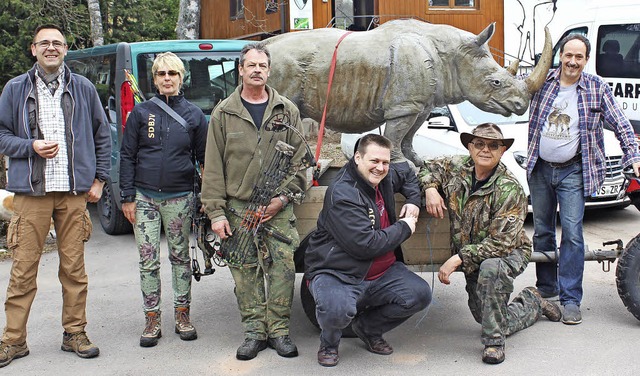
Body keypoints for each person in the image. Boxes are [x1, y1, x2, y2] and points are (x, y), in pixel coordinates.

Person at [0, 24, 111, 368]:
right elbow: (1, 135)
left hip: (73, 194)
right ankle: (14, 340)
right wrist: (30, 146)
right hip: (31, 193)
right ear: (33, 49)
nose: (51, 48)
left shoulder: (83, 88)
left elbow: (102, 135)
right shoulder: (16, 88)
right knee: (23, 270)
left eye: (57, 43)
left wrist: (100, 180)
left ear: (65, 49)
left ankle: (74, 333)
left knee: (74, 269)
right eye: (44, 43)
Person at [419, 123, 561, 364]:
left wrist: (459, 258)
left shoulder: (509, 188)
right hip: (475, 253)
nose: (486, 150)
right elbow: (427, 167)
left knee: (491, 269)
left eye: (494, 145)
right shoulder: (456, 167)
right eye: (480, 144)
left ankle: (494, 344)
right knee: (486, 316)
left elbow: (502, 242)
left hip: (509, 251)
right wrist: (431, 188)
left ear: (502, 151)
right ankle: (533, 301)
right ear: (470, 147)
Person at [201, 42, 307, 361]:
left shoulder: (286, 110)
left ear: (269, 71)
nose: (257, 70)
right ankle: (253, 332)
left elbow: (300, 164)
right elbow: (214, 167)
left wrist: (281, 198)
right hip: (238, 209)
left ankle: (278, 331)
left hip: (277, 209)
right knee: (245, 271)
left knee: (282, 270)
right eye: (251, 65)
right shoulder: (224, 113)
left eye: (262, 66)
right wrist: (216, 213)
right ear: (241, 70)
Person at [525, 34, 640, 325]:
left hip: (573, 170)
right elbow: (509, 95)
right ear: (560, 56)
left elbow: (622, 126)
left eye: (579, 57)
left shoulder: (596, 88)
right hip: (540, 168)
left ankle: (570, 298)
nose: (573, 62)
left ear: (586, 60)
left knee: (573, 234)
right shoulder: (540, 83)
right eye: (568, 55)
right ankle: (547, 289)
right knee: (542, 232)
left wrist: (634, 157)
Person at [305, 134, 432, 367]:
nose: (380, 168)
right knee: (336, 309)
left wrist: (414, 199)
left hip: (382, 271)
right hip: (339, 271)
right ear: (357, 158)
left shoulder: (382, 175)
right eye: (374, 161)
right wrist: (404, 227)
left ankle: (368, 328)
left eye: (385, 162)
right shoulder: (343, 193)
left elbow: (407, 174)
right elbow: (365, 245)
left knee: (420, 295)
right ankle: (329, 343)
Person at [119, 52, 207, 347]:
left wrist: (207, 198)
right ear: (154, 79)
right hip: (144, 198)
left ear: (182, 78)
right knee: (148, 262)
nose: (167, 78)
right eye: (161, 74)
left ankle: (182, 315)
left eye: (172, 73)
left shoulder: (194, 115)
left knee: (181, 258)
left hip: (180, 198)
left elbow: (204, 160)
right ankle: (152, 319)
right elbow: (127, 155)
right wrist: (127, 197)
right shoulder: (141, 114)